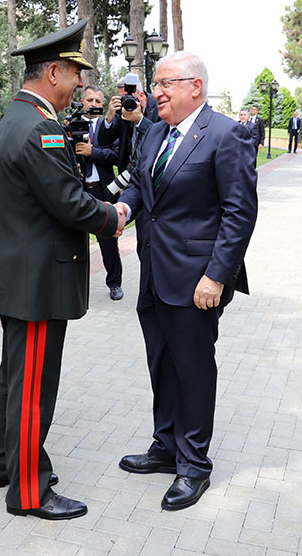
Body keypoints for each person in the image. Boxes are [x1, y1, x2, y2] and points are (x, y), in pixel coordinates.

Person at [0, 19, 125, 521]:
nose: (80, 84)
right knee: (32, 388)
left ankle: (1, 464)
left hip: (20, 274)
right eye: (75, 73)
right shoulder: (40, 127)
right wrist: (113, 216)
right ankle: (28, 491)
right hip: (37, 280)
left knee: (14, 377)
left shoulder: (17, 116)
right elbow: (69, 203)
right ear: (54, 73)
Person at [113, 52, 257, 512]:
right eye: (155, 84)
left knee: (193, 371)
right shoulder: (155, 131)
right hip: (154, 274)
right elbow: (140, 183)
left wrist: (216, 276)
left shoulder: (226, 135)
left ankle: (194, 464)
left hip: (197, 282)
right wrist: (124, 208)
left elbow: (240, 214)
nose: (155, 92)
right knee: (162, 365)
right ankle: (166, 447)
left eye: (165, 83)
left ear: (195, 86)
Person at [73, 85, 124, 300]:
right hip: (78, 191)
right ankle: (76, 286)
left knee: (108, 241)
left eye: (97, 101)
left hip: (102, 191)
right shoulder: (72, 125)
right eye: (89, 100)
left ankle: (114, 283)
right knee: (75, 241)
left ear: (102, 105)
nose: (93, 104)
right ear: (82, 102)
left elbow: (116, 156)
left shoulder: (108, 126)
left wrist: (92, 152)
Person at [96, 74, 159, 194]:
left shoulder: (158, 106)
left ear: (141, 95)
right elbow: (103, 141)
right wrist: (109, 117)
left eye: (129, 97)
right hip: (129, 172)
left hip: (153, 174)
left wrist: (140, 120)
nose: (126, 101)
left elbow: (161, 136)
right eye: (122, 98)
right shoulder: (123, 110)